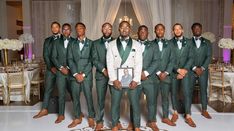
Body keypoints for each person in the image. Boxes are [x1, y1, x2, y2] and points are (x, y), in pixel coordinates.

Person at [106, 21, 142, 131]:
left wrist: (136, 79)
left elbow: (139, 63)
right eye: (122, 27)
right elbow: (109, 63)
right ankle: (115, 125)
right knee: (115, 104)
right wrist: (114, 79)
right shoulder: (111, 44)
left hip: (132, 79)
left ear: (130, 29)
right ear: (119, 29)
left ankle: (136, 126)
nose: (125, 29)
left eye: (127, 27)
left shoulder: (137, 44)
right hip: (117, 79)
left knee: (135, 104)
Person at [128, 25, 159, 131]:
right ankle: (133, 122)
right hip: (134, 79)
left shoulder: (153, 45)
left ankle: (152, 121)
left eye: (144, 31)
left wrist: (146, 73)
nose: (142, 33)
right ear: (137, 32)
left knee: (151, 101)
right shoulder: (131, 44)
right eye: (140, 31)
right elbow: (127, 60)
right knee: (134, 101)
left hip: (148, 79)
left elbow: (156, 61)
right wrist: (136, 74)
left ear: (148, 33)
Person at [67, 22, 95, 128]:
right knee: (75, 97)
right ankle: (77, 117)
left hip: (86, 75)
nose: (79, 30)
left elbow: (92, 60)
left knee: (89, 96)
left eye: (81, 28)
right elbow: (69, 59)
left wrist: (83, 74)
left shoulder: (91, 43)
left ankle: (91, 117)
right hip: (74, 75)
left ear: (85, 29)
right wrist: (75, 74)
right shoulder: (72, 43)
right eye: (77, 28)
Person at [33, 22, 61, 123]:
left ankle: (77, 112)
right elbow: (45, 55)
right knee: (48, 89)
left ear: (60, 28)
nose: (54, 29)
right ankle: (44, 109)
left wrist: (62, 67)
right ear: (51, 29)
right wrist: (51, 67)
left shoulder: (64, 39)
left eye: (56, 27)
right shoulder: (47, 40)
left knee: (70, 88)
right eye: (52, 27)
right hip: (50, 69)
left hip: (62, 70)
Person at [170, 23, 196, 127]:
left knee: (187, 93)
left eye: (179, 29)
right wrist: (178, 70)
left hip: (186, 72)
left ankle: (188, 115)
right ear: (173, 31)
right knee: (174, 92)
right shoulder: (169, 43)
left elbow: (191, 57)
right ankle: (175, 112)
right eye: (175, 29)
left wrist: (184, 70)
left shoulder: (189, 42)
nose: (177, 31)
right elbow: (169, 59)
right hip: (174, 71)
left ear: (183, 30)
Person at [92, 22, 114, 130]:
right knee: (100, 99)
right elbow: (94, 59)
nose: (106, 30)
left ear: (112, 30)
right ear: (102, 30)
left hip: (114, 75)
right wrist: (104, 70)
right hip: (101, 75)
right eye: (105, 28)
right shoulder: (95, 43)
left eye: (109, 28)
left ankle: (116, 121)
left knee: (116, 99)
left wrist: (113, 71)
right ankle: (99, 121)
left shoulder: (117, 42)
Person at [50, 23, 75, 123]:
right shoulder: (56, 42)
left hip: (72, 72)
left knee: (74, 93)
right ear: (61, 31)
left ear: (70, 31)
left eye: (67, 29)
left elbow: (77, 57)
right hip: (60, 73)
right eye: (64, 29)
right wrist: (60, 68)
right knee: (61, 94)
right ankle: (61, 115)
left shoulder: (75, 41)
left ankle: (77, 112)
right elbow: (53, 57)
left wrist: (70, 68)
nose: (65, 31)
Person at [153, 24, 176, 126]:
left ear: (164, 31)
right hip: (153, 76)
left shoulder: (170, 44)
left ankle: (165, 117)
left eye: (161, 29)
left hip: (166, 76)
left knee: (165, 98)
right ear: (155, 31)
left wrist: (166, 72)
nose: (160, 31)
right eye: (158, 29)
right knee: (152, 98)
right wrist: (158, 72)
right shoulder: (150, 44)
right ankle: (152, 119)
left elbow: (172, 60)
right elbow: (149, 61)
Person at [190, 23, 212, 119]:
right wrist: (194, 68)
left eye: (199, 28)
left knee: (203, 90)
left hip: (203, 71)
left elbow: (209, 56)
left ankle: (204, 110)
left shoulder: (207, 42)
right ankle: (187, 111)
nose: (197, 29)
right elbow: (186, 57)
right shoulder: (188, 42)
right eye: (195, 28)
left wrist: (202, 68)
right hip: (191, 70)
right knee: (188, 91)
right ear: (192, 30)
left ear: (201, 29)